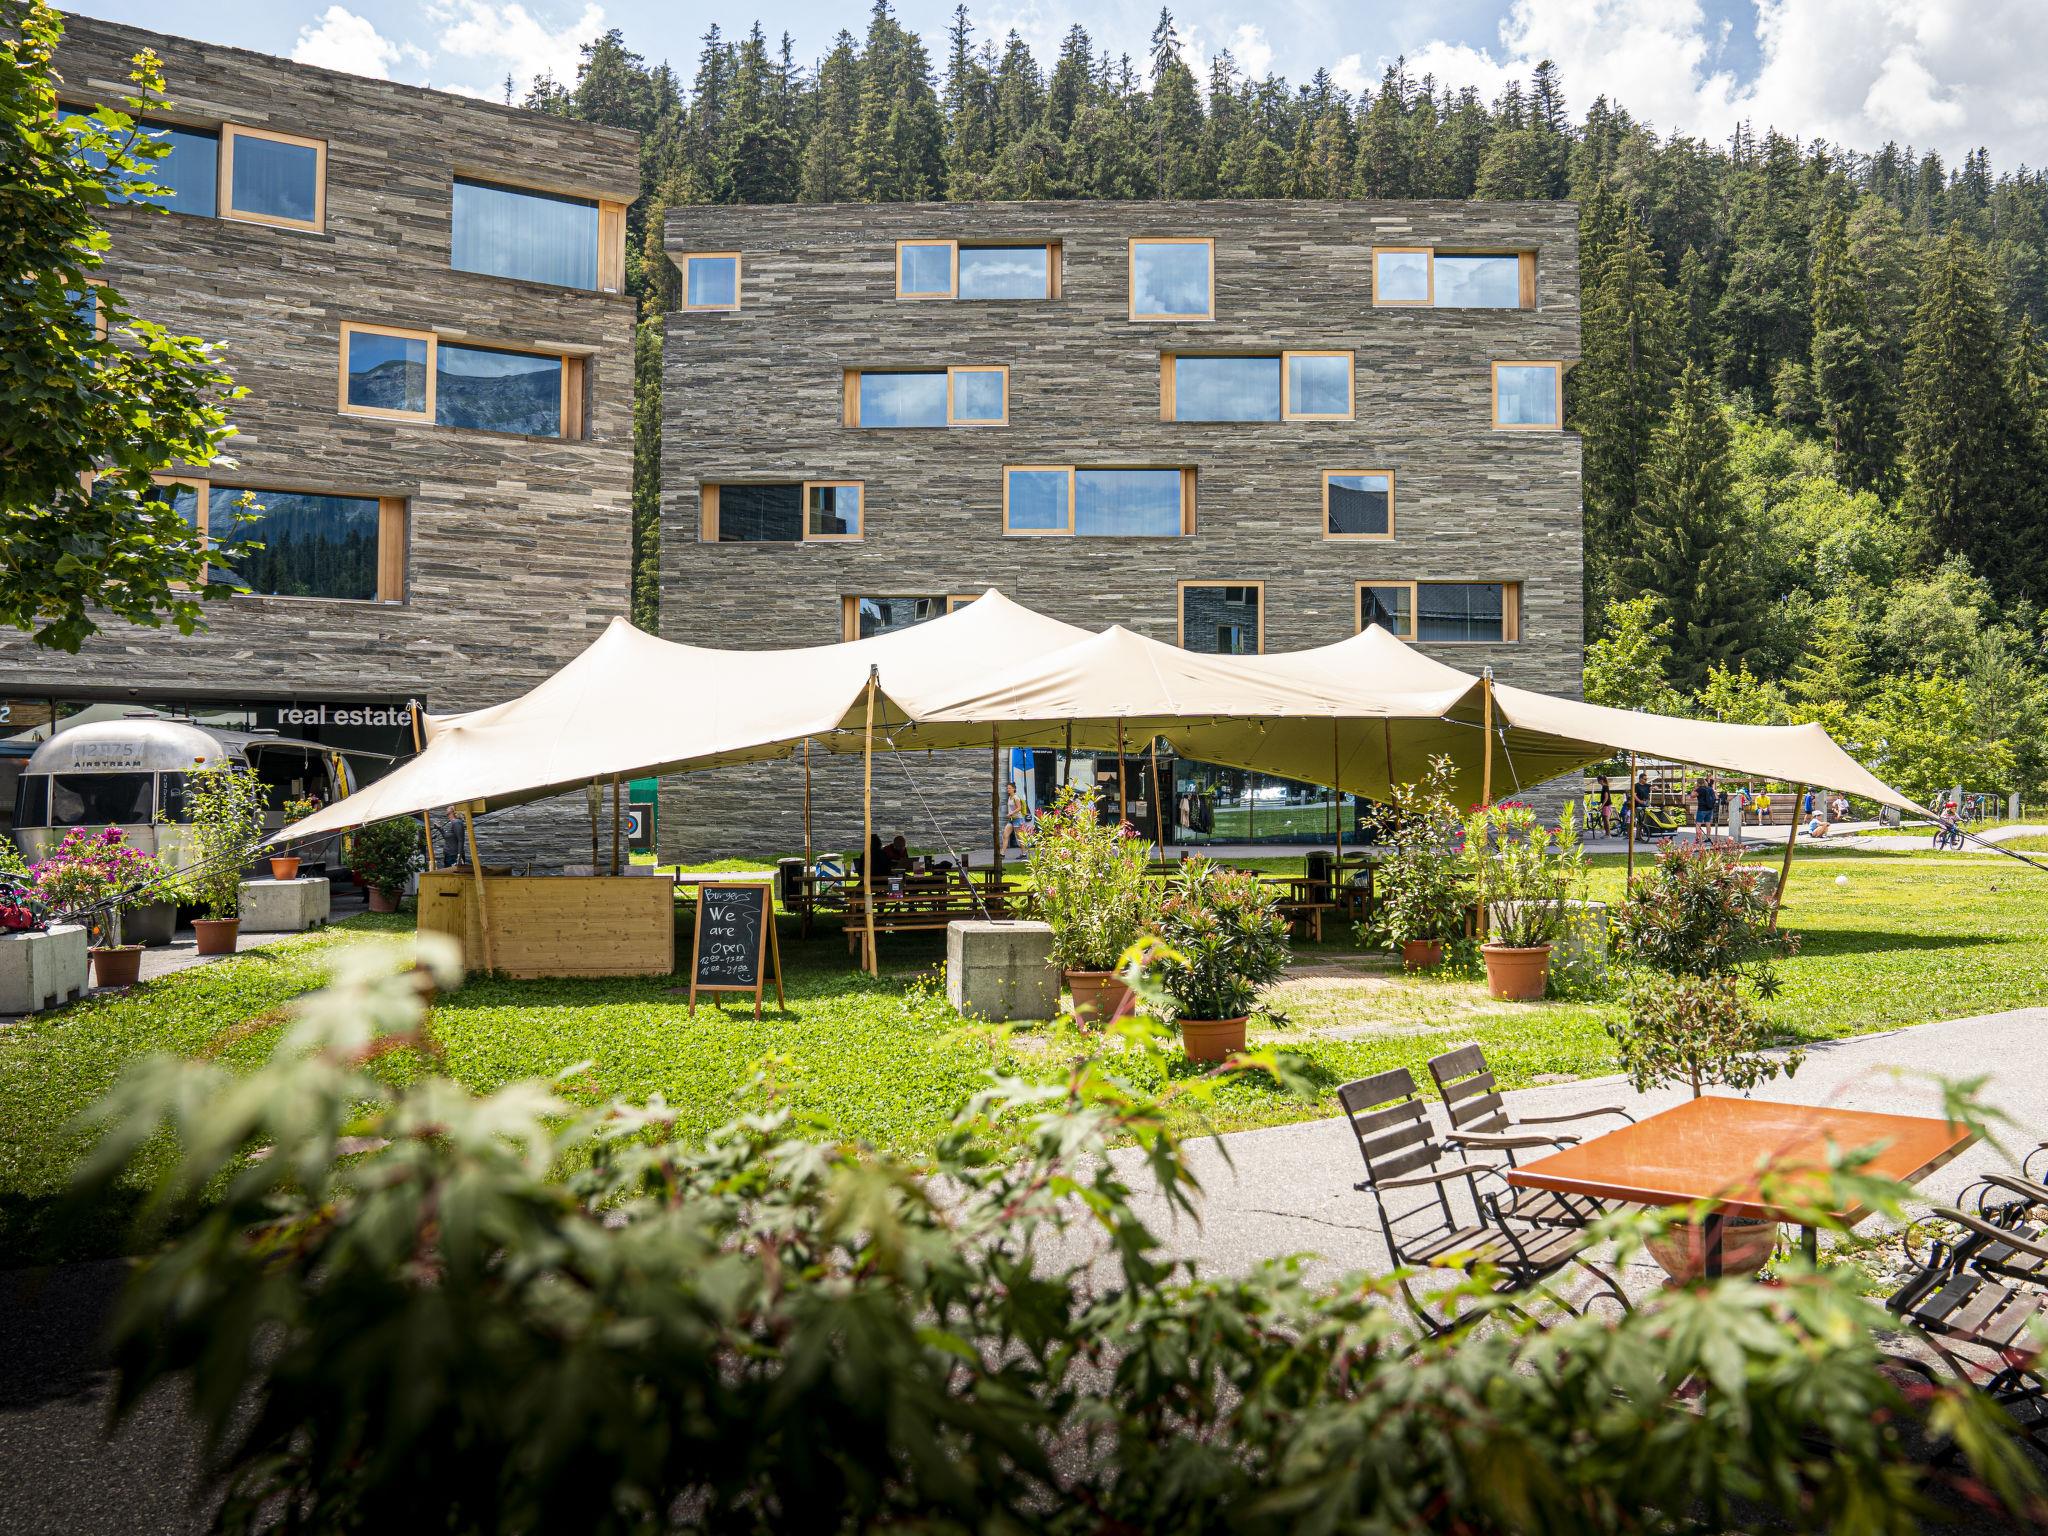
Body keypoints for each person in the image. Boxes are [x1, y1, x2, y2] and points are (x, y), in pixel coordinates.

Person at [1692, 774, 1718, 845]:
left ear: (1698, 783)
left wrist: (1694, 789)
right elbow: (1716, 797)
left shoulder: (1700, 789)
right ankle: (1708, 837)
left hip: (1702, 809)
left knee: (1698, 824)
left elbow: (1692, 796)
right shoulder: (1710, 788)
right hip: (1709, 808)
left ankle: (1698, 839)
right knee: (1708, 823)